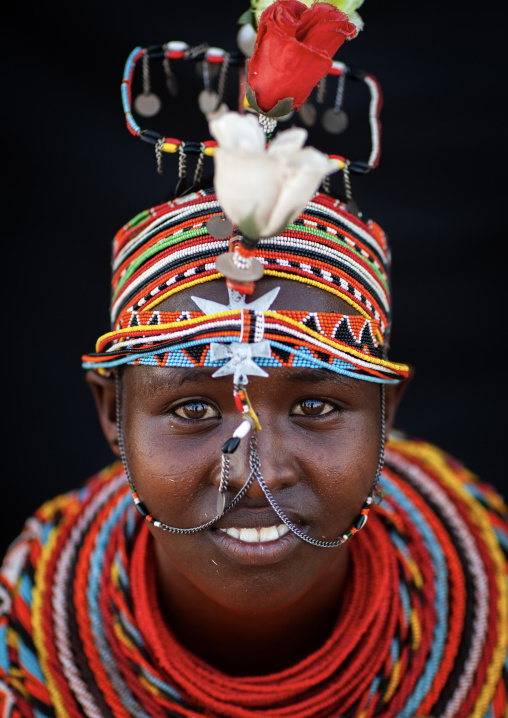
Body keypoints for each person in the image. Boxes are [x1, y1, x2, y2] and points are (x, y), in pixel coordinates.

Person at [1, 2, 507, 716]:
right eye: (193, 407)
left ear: (386, 414)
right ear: (113, 413)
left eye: (315, 405)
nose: (258, 472)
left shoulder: (495, 595)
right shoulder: (23, 644)